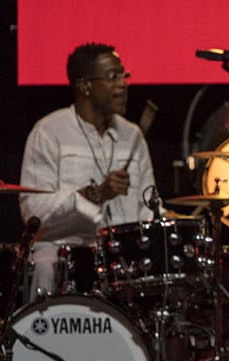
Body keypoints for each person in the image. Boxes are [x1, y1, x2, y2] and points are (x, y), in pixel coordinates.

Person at [19, 42, 159, 298]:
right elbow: (33, 213)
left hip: (122, 259)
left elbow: (148, 206)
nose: (123, 85)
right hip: (65, 253)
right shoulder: (49, 132)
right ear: (84, 86)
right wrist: (94, 195)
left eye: (123, 76)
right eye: (112, 77)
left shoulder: (132, 135)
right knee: (44, 264)